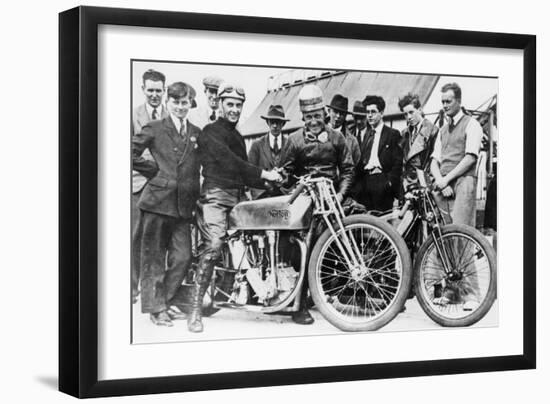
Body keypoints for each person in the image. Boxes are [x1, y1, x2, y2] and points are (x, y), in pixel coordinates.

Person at [191, 83, 282, 333]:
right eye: (229, 104)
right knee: (214, 245)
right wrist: (264, 172)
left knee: (264, 234)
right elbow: (230, 162)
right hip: (215, 197)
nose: (234, 109)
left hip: (237, 197)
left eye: (238, 105)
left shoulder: (239, 137)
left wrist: (272, 179)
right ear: (220, 104)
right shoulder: (209, 132)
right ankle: (196, 310)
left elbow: (243, 173)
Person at [279, 84, 355, 325]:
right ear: (303, 117)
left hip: (333, 201)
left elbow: (348, 169)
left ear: (324, 113)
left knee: (342, 246)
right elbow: (285, 175)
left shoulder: (337, 137)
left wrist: (341, 195)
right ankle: (298, 305)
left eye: (317, 115)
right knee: (306, 250)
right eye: (309, 117)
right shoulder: (293, 140)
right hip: (306, 203)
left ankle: (336, 294)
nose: (314, 121)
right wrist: (297, 195)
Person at [132, 82, 201, 327]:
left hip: (183, 206)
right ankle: (156, 309)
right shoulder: (155, 127)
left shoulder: (195, 132)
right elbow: (129, 151)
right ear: (168, 102)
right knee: (153, 258)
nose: (181, 107)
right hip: (157, 202)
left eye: (185, 103)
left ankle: (165, 299)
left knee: (183, 257)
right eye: (176, 102)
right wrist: (153, 171)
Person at [430, 82, 484, 311]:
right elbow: (434, 160)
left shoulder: (472, 124)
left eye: (448, 101)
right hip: (444, 187)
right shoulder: (442, 129)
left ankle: (471, 294)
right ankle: (452, 293)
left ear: (459, 101)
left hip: (463, 183)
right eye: (442, 102)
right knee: (446, 241)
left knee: (463, 238)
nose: (444, 106)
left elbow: (471, 157)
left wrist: (448, 178)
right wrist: (440, 181)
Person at [131, 69, 169, 303]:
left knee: (159, 238)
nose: (154, 95)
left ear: (164, 91)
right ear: (143, 90)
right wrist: (150, 168)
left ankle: (155, 289)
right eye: (150, 90)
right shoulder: (133, 116)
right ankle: (133, 287)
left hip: (163, 187)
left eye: (158, 90)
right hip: (138, 183)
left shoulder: (170, 115)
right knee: (137, 236)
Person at [355, 95, 403, 212]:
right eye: (368, 112)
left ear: (381, 113)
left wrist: (389, 183)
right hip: (366, 184)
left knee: (382, 223)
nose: (370, 115)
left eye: (373, 112)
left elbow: (398, 162)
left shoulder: (392, 134)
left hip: (382, 182)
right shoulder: (367, 136)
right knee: (367, 222)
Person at [248, 104, 290, 199]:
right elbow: (249, 172)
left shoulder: (290, 144)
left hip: (285, 197)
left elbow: (295, 172)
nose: (275, 126)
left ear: (283, 124)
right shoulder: (257, 145)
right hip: (263, 196)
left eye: (278, 122)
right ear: (267, 122)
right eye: (272, 122)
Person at [397, 93, 438, 189]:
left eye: (411, 112)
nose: (409, 117)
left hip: (425, 184)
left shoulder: (432, 131)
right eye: (405, 114)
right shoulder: (404, 134)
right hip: (407, 185)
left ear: (420, 110)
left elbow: (435, 161)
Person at [328, 94, 361, 166]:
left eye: (342, 114)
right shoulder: (316, 133)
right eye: (335, 112)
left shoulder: (352, 141)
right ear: (329, 111)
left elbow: (356, 164)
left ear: (345, 116)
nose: (338, 116)